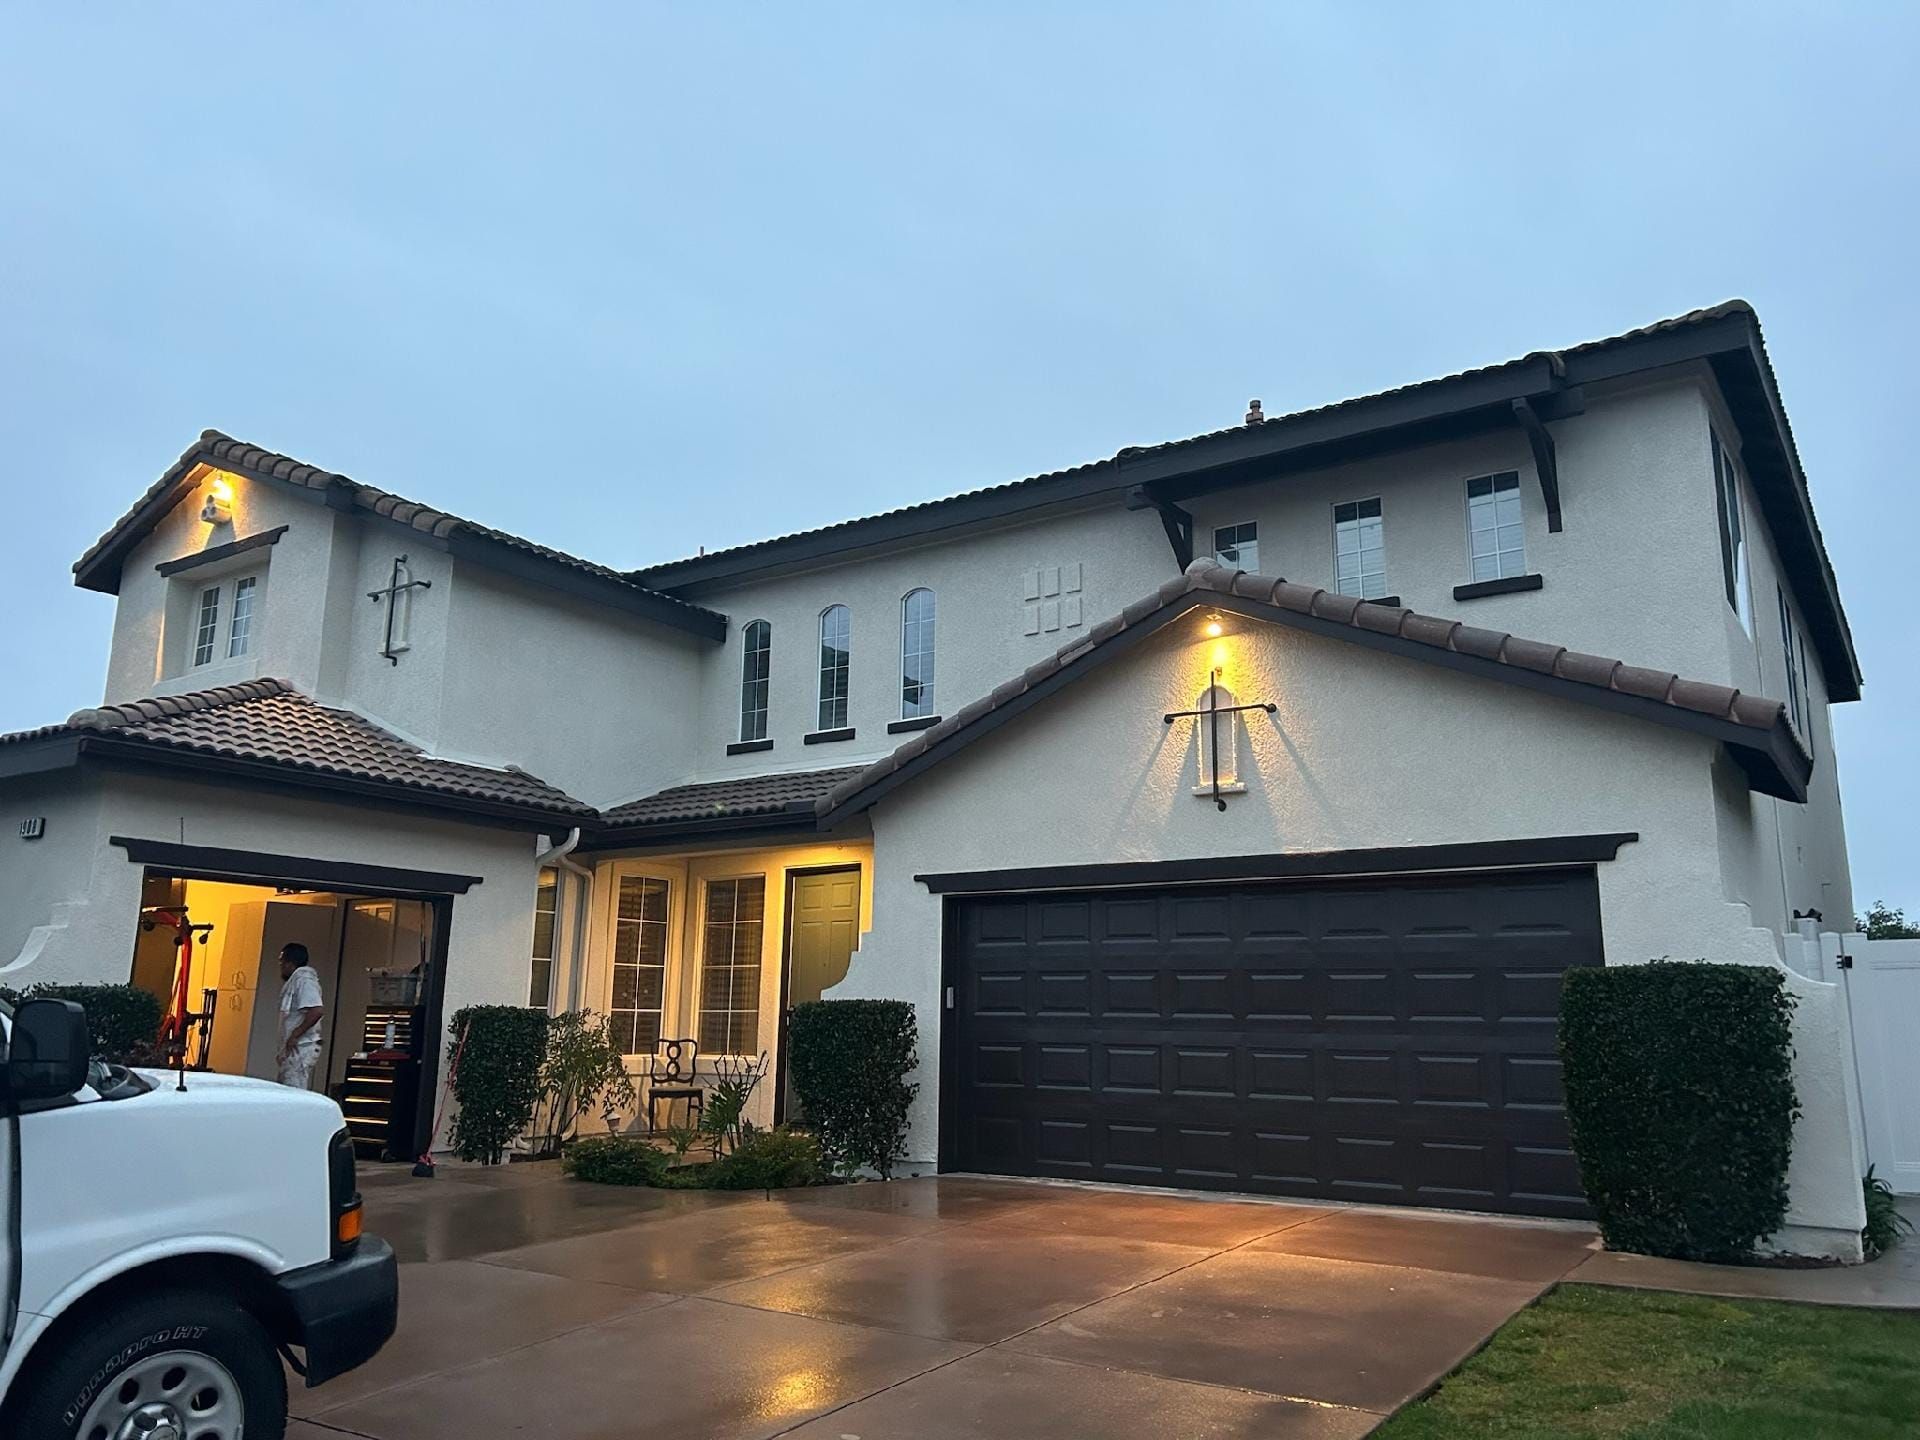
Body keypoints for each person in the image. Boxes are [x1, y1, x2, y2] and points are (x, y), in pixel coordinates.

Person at [276, 942, 325, 1090]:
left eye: (282, 961)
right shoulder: (296, 981)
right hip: (293, 1049)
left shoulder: (304, 980)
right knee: (286, 1091)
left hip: (300, 1048)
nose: (281, 966)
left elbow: (316, 1010)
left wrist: (295, 1035)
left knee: (293, 1092)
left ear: (290, 963)